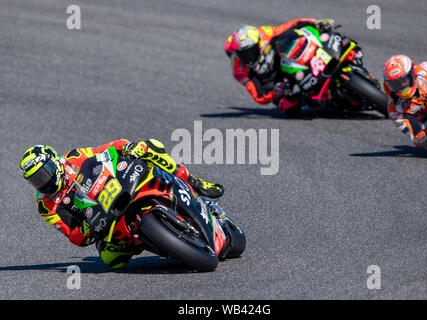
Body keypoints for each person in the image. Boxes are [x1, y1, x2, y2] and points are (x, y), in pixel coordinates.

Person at [19, 139, 224, 269]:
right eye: (35, 180)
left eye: (43, 174)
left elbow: (105, 151)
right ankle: (158, 243)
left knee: (150, 146)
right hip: (103, 222)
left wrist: (126, 147)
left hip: (118, 187)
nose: (43, 182)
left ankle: (195, 182)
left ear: (53, 162)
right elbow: (73, 235)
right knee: (111, 261)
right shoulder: (46, 205)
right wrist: (85, 228)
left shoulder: (74, 158)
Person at [224, 18, 336, 116]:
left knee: (296, 41)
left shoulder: (265, 34)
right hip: (276, 84)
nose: (246, 58)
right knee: (289, 107)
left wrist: (316, 22)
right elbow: (258, 96)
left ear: (258, 43)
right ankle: (316, 99)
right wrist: (275, 91)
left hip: (284, 61)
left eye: (249, 52)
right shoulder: (239, 70)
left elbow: (292, 25)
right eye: (241, 54)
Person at [384, 55, 427, 155]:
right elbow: (417, 139)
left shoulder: (425, 69)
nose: (402, 86)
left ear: (412, 74)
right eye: (395, 84)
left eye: (404, 81)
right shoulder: (395, 110)